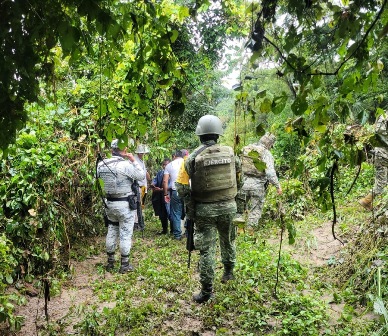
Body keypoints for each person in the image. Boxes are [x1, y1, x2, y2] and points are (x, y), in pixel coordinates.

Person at [176, 114, 242, 303]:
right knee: (228, 240)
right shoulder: (230, 153)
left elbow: (180, 187)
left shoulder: (191, 158)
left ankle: (206, 291)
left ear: (199, 135)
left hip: (205, 210)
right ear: (218, 135)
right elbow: (241, 180)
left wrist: (191, 207)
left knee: (207, 250)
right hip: (229, 206)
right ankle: (228, 273)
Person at [97, 139, 145, 273]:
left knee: (112, 230)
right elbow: (141, 176)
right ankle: (124, 264)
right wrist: (133, 160)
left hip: (109, 203)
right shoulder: (125, 165)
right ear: (123, 149)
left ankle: (110, 261)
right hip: (124, 204)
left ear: (112, 149)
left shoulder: (101, 164)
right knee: (125, 233)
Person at [236, 133, 282, 229]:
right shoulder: (266, 153)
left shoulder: (247, 149)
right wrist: (278, 186)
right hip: (257, 186)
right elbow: (270, 172)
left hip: (243, 185)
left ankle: (237, 234)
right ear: (269, 144)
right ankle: (250, 234)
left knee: (238, 211)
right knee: (255, 211)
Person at [359, 111, 388, 210]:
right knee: (381, 182)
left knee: (382, 181)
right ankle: (366, 201)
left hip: (381, 153)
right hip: (383, 155)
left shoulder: (383, 115)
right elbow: (381, 135)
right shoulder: (385, 116)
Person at [163, 150, 185, 240]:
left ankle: (177, 235)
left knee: (176, 213)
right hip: (188, 190)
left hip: (176, 191)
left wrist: (165, 194)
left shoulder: (169, 165)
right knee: (189, 212)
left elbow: (165, 181)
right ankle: (189, 233)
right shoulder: (187, 162)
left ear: (174, 156)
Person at [151, 158, 171, 234]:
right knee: (162, 213)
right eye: (164, 164)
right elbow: (155, 180)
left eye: (167, 164)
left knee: (170, 212)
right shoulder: (160, 173)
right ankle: (164, 229)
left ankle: (173, 230)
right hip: (160, 196)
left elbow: (170, 186)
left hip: (168, 195)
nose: (165, 166)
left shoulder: (171, 173)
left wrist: (161, 189)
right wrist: (153, 185)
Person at [134, 144, 151, 230]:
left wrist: (149, 181)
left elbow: (145, 172)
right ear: (139, 153)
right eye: (142, 153)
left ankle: (139, 223)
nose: (143, 155)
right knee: (138, 207)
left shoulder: (141, 160)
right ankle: (137, 224)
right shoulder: (135, 161)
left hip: (143, 186)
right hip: (138, 187)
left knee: (141, 206)